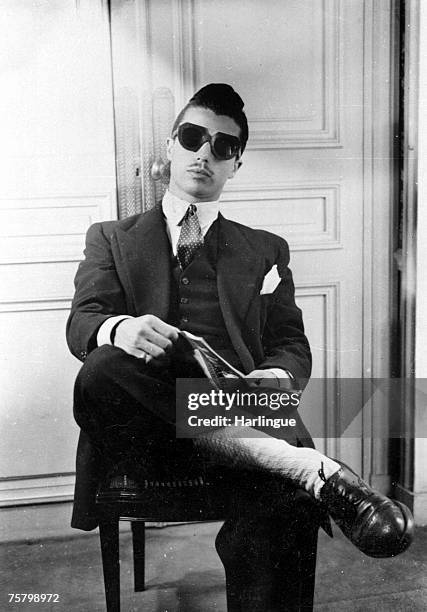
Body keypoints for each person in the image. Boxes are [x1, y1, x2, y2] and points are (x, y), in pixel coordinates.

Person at [67, 83, 413, 610]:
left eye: (223, 146)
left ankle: (291, 473)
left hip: (244, 414)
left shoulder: (265, 250)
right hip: (148, 436)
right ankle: (305, 466)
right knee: (102, 369)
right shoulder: (111, 238)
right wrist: (120, 328)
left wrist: (272, 378)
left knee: (283, 513)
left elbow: (290, 343)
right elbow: (81, 324)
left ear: (237, 164)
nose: (205, 153)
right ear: (170, 146)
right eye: (192, 137)